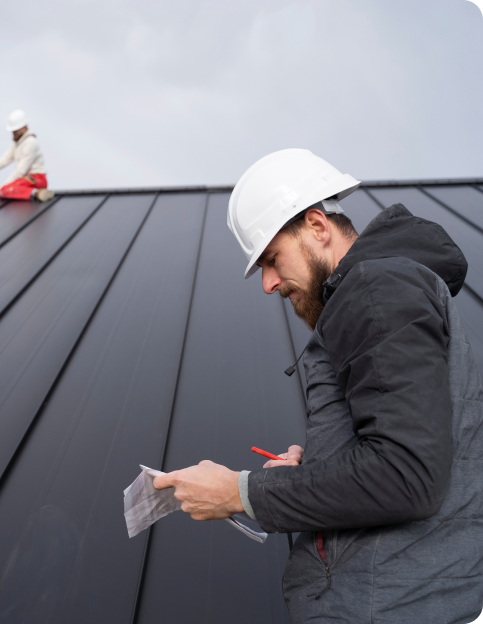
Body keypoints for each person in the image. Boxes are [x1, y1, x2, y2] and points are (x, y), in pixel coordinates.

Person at [153, 149, 483, 622]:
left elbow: (407, 476)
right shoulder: (382, 292)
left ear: (317, 226)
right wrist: (322, 464)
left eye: (271, 259)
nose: (267, 284)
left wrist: (240, 492)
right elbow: (409, 451)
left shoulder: (374, 288)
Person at [0, 110, 54, 202]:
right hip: (27, 180)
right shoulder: (18, 143)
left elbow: (20, 171)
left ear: (24, 127)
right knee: (7, 189)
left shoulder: (30, 143)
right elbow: (5, 159)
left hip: (37, 179)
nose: (13, 132)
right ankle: (36, 193)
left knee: (6, 190)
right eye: (12, 130)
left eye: (16, 130)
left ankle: (38, 193)